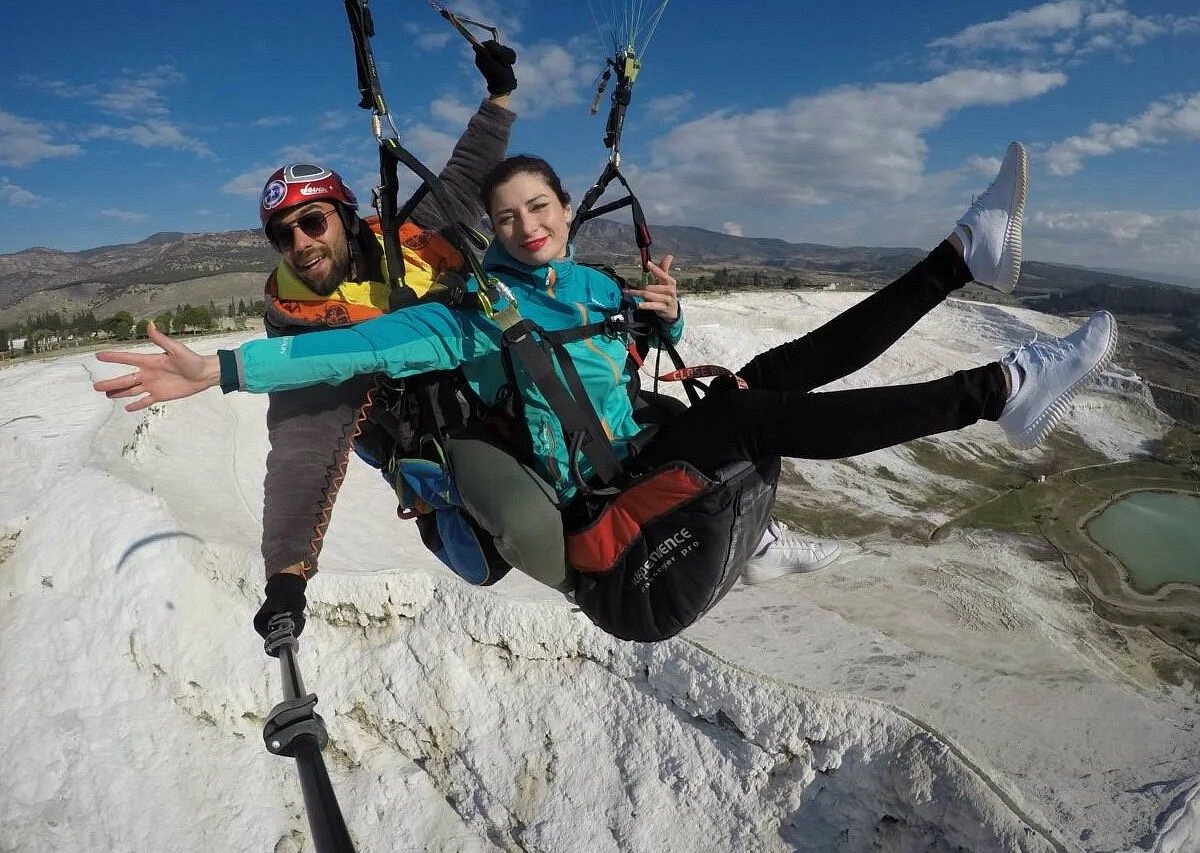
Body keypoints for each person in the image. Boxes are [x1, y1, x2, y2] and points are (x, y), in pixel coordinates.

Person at [94, 142, 1117, 638]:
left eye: (541, 207)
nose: (528, 225)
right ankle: (1002, 389)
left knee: (765, 376)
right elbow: (331, 357)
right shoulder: (469, 313)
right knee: (748, 412)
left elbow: (641, 351)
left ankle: (960, 257)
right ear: (492, 236)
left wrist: (663, 317)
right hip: (609, 529)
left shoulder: (589, 283)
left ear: (564, 210)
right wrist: (219, 368)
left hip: (646, 464)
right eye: (509, 218)